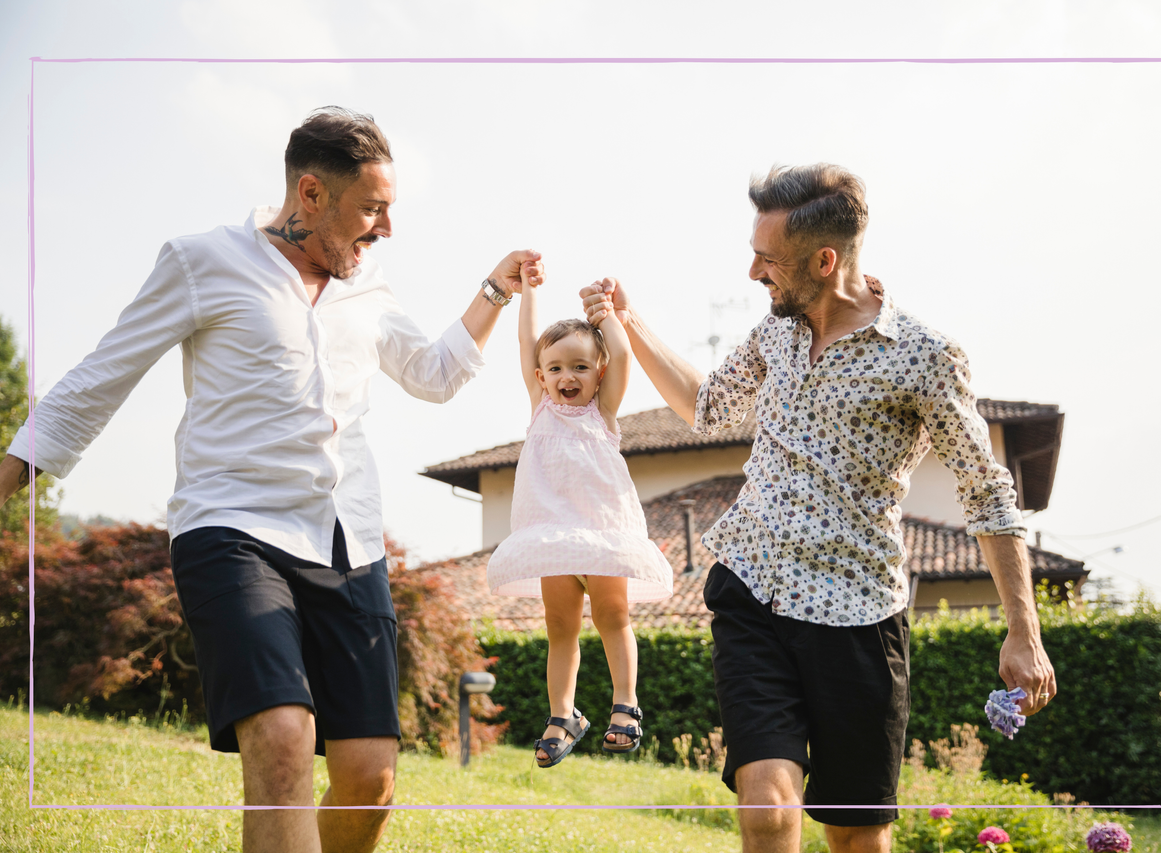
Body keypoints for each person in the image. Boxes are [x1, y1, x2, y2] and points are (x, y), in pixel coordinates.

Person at [0, 107, 542, 853]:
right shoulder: (203, 261)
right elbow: (101, 377)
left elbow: (434, 373)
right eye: (373, 209)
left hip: (346, 540)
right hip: (232, 529)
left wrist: (495, 287)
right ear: (311, 195)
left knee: (369, 779)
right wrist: (9, 475)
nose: (385, 228)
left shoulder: (367, 284)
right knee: (284, 738)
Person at [581, 163, 1057, 853]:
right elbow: (707, 403)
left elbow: (986, 490)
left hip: (858, 616)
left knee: (855, 835)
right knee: (768, 807)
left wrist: (1025, 630)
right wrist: (629, 319)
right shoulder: (775, 331)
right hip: (753, 591)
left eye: (767, 259)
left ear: (824, 260)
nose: (753, 273)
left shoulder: (924, 357)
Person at [486, 269, 673, 768]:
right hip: (551, 539)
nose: (567, 377)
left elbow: (624, 353)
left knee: (613, 615)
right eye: (556, 369)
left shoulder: (604, 413)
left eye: (580, 367)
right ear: (541, 375)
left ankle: (626, 704)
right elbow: (527, 341)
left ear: (599, 373)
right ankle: (563, 714)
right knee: (560, 627)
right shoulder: (539, 407)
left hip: (603, 535)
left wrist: (608, 313)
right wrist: (528, 293)